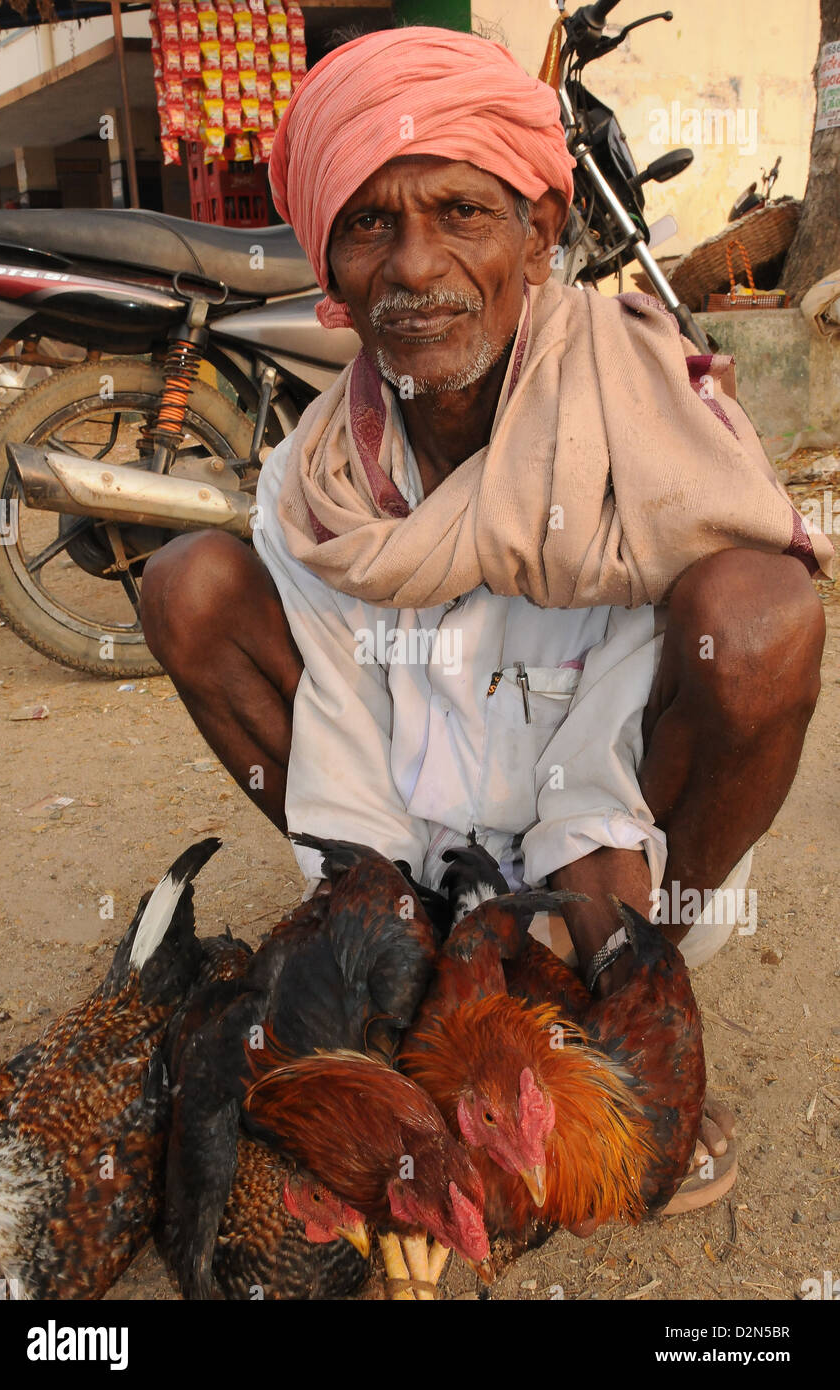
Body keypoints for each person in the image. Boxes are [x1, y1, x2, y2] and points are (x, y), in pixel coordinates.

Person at [140, 26, 832, 1212]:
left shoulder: (635, 415)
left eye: (460, 212)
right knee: (186, 583)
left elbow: (626, 687)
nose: (415, 265)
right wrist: (382, 930)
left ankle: (641, 995)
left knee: (759, 615)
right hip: (421, 821)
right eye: (369, 224)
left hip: (617, 821)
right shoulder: (318, 483)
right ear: (330, 269)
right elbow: (345, 711)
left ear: (537, 233)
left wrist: (577, 938)